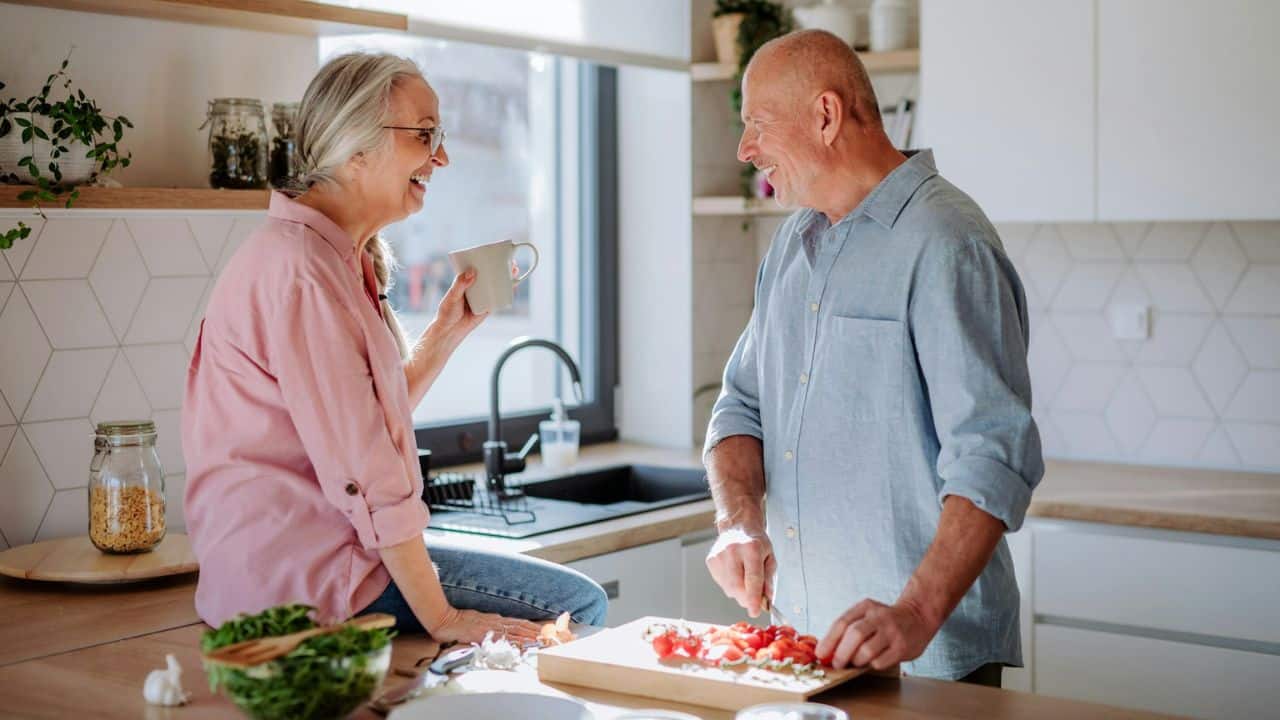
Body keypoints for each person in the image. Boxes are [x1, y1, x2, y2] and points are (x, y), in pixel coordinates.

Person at [183, 52, 607, 643]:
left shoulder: (334, 258)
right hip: (303, 588)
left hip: (302, 569)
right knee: (577, 607)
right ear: (354, 147)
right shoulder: (303, 273)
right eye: (425, 135)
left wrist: (444, 334)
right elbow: (367, 469)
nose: (442, 156)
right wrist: (445, 618)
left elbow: (361, 423)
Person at [702, 30, 1043, 686]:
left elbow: (992, 457)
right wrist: (737, 523)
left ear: (826, 116)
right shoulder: (790, 249)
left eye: (756, 124)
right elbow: (740, 408)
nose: (745, 150)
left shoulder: (947, 244)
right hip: (800, 648)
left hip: (927, 659)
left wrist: (914, 613)